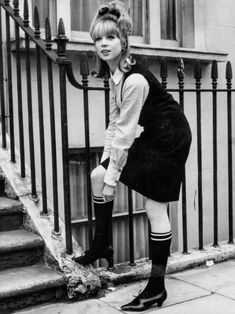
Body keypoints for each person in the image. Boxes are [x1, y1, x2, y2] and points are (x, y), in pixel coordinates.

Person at [74, 1, 192, 311]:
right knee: (97, 174)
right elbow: (114, 127)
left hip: (170, 139)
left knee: (155, 209)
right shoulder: (115, 74)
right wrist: (106, 168)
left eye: (110, 38)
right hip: (154, 135)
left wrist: (113, 178)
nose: (103, 44)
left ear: (123, 41)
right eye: (98, 39)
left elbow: (125, 136)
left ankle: (156, 287)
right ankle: (102, 243)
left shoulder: (135, 79)